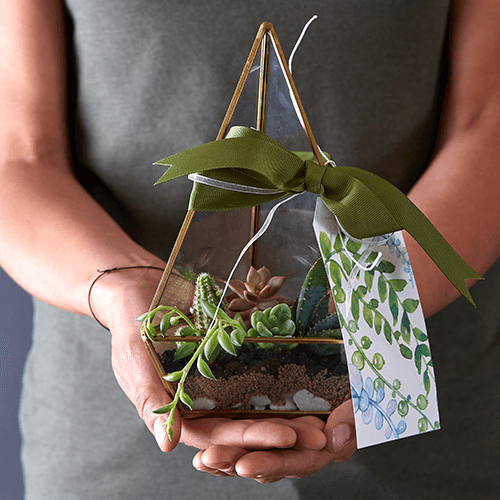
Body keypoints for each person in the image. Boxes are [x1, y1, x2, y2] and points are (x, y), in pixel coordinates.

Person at [0, 0, 498, 499]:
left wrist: (381, 318)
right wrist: (128, 286)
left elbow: (486, 122)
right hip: (118, 438)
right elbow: (19, 156)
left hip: (420, 419)